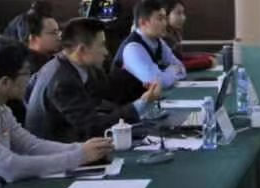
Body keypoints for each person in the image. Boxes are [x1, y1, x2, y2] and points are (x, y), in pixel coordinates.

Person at [0, 36, 112, 188]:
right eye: (26, 73)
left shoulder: (1, 109)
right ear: (5, 82)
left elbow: (30, 146)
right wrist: (79, 156)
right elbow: (10, 167)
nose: (30, 79)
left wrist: (82, 148)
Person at [26, 18, 161, 143]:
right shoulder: (62, 81)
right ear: (82, 50)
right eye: (101, 45)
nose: (106, 52)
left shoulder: (82, 67)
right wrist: (139, 105)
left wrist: (142, 91)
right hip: (56, 150)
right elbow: (90, 128)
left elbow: (110, 93)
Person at [110, 0, 185, 103]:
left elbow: (181, 68)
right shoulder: (133, 48)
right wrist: (172, 70)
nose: (165, 23)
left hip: (149, 103)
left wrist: (165, 74)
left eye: (165, 18)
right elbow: (157, 83)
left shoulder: (158, 41)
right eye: (160, 19)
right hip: (127, 108)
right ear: (143, 23)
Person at [160, 0, 216, 71]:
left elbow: (178, 57)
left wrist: (205, 57)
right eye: (178, 13)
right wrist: (206, 62)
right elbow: (173, 66)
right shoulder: (160, 39)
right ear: (166, 15)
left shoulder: (173, 35)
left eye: (183, 13)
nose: (183, 18)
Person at [24, 9, 62, 74]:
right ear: (33, 38)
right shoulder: (26, 68)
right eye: (53, 33)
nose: (59, 37)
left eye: (58, 32)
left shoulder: (53, 59)